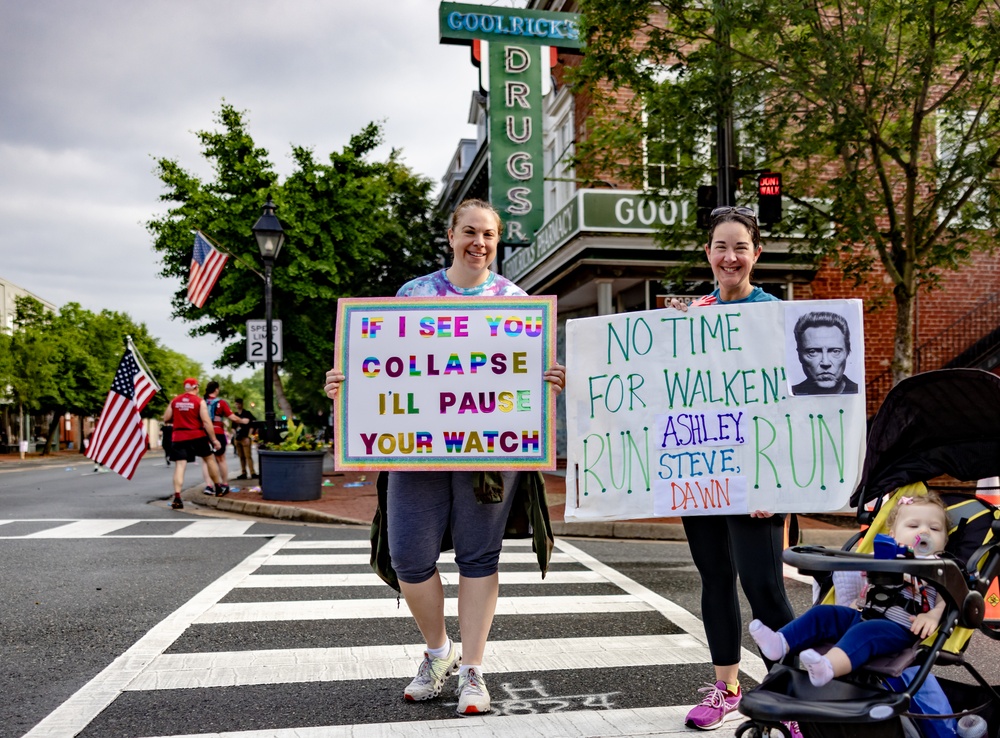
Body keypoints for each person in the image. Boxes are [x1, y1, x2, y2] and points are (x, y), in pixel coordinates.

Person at [324, 198, 565, 717]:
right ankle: (439, 654)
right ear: (451, 236)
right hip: (417, 451)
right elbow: (385, 364)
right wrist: (345, 384)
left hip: (487, 450)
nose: (479, 243)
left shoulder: (515, 300)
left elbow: (524, 382)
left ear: (497, 242)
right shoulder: (414, 295)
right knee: (409, 557)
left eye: (490, 235)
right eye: (470, 232)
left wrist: (549, 382)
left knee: (480, 557)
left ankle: (473, 669)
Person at [669, 206, 796, 731]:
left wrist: (778, 478)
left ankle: (792, 694)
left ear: (756, 254)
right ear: (708, 254)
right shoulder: (691, 318)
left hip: (755, 472)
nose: (730, 257)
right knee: (715, 577)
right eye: (721, 247)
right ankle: (725, 688)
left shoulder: (777, 315)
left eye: (740, 247)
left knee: (763, 585)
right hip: (701, 470)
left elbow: (792, 403)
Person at [749, 490, 948, 687]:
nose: (924, 532)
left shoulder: (940, 566)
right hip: (865, 614)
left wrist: (933, 615)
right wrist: (860, 600)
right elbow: (868, 585)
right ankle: (780, 642)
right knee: (823, 614)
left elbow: (947, 597)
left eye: (935, 529)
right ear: (893, 535)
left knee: (866, 632)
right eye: (914, 525)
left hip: (901, 628)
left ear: (945, 540)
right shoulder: (883, 556)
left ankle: (828, 666)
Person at [162, 378, 227, 510]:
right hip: (197, 435)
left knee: (180, 466)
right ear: (196, 387)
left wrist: (179, 415)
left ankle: (177, 497)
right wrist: (214, 440)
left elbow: (166, 418)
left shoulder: (175, 401)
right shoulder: (199, 402)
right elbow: (207, 422)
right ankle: (218, 487)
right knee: (209, 459)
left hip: (179, 437)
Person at [200, 381, 251, 495]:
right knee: (221, 459)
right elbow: (232, 417)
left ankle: (208, 485)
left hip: (203, 433)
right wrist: (243, 420)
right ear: (217, 389)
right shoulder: (221, 403)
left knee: (206, 460)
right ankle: (224, 484)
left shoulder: (201, 402)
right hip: (217, 431)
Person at [790, 311, 859, 395]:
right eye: (813, 351)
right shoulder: (788, 395)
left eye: (835, 351)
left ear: (847, 352)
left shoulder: (862, 394)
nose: (825, 363)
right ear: (799, 355)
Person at [232, 398, 257, 479]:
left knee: (248, 456)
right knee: (241, 456)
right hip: (238, 438)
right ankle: (243, 472)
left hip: (245, 438)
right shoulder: (234, 415)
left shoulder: (247, 413)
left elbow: (253, 425)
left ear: (242, 404)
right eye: (236, 404)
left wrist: (249, 436)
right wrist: (235, 435)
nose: (237, 405)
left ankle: (252, 472)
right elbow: (232, 427)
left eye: (239, 404)